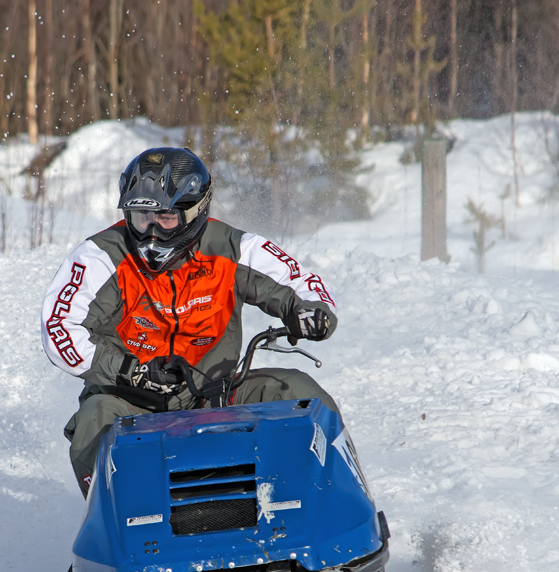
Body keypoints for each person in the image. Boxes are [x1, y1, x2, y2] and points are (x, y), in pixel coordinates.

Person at [41, 147, 341, 495]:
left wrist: (309, 311)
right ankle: (116, 525)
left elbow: (302, 283)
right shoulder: (101, 256)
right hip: (130, 399)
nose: (151, 233)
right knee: (94, 418)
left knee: (300, 393)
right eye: (140, 218)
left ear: (195, 212)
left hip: (218, 392)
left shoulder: (233, 247)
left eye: (165, 219)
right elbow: (59, 328)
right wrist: (129, 370)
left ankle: (331, 501)